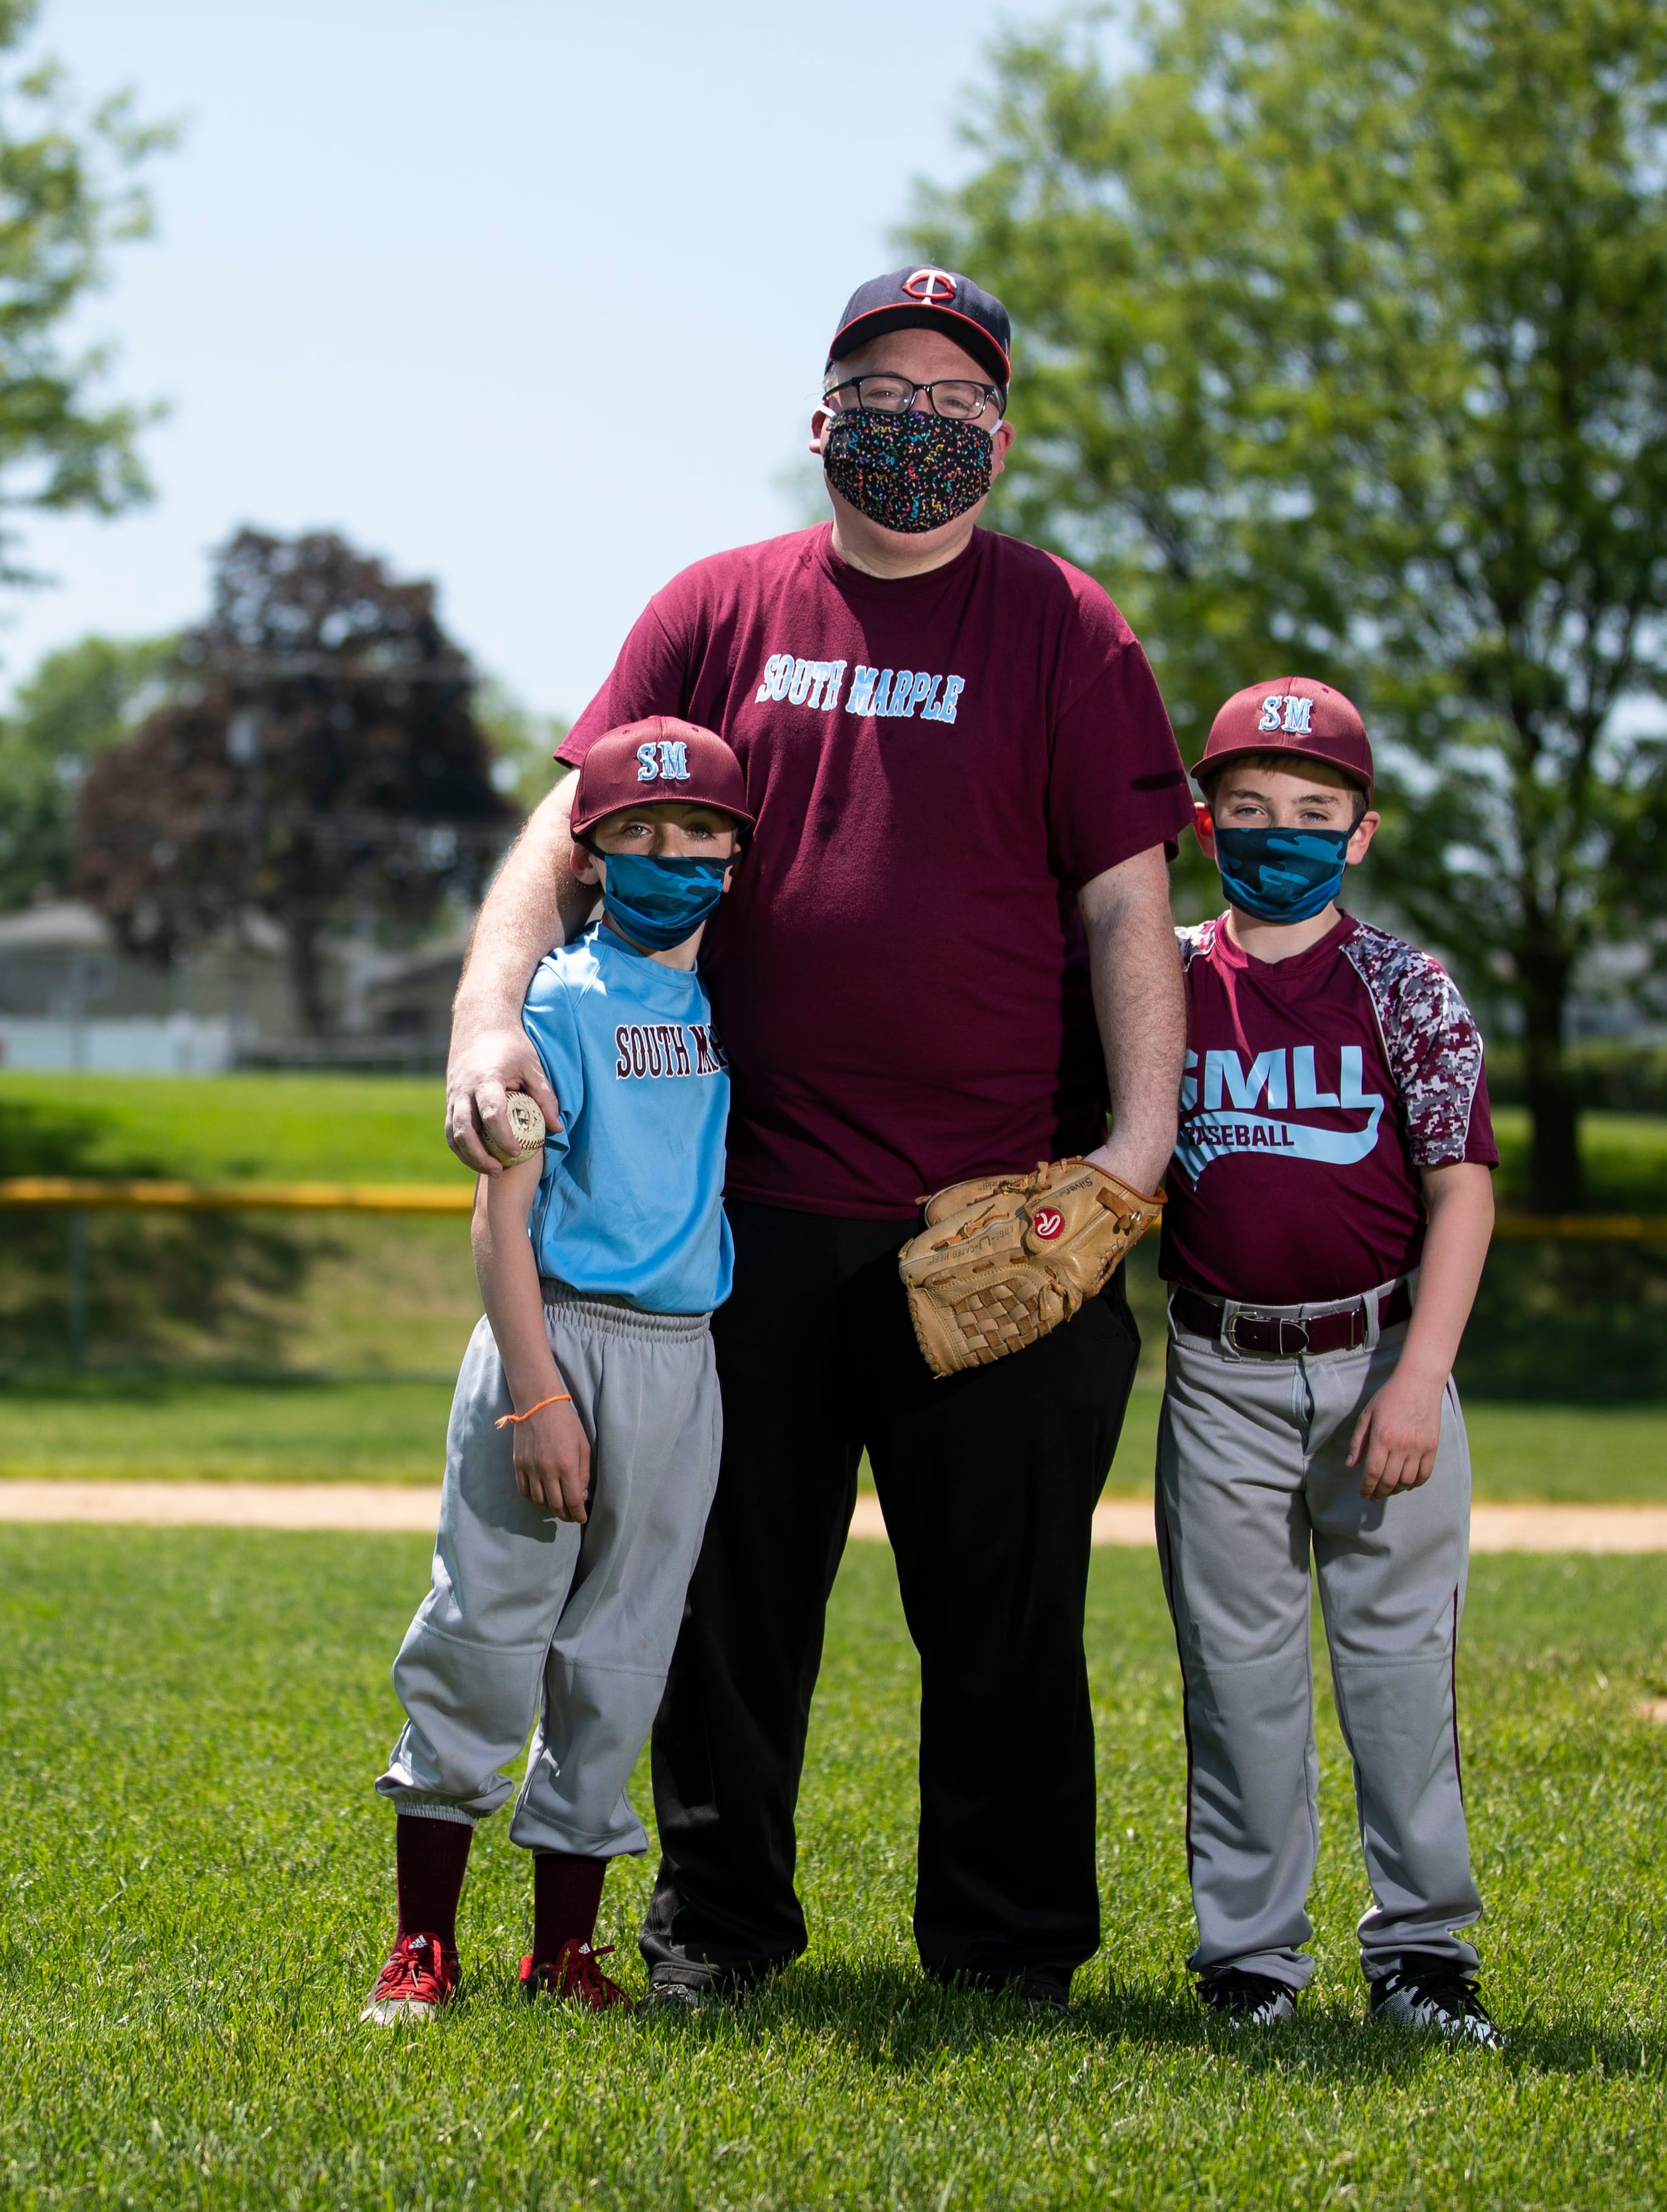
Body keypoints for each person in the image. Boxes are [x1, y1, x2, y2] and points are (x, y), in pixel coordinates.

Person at [439, 267, 1192, 2008]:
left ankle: (1007, 1956)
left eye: (955, 396)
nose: (915, 421)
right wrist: (487, 1019)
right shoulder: (720, 606)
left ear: (999, 435)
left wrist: (1138, 1151)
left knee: (1006, 1613)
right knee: (723, 1605)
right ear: (820, 415)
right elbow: (565, 831)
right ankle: (716, 1931)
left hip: (1004, 1208)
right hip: (736, 1209)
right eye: (883, 387)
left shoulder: (1067, 629)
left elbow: (1126, 905)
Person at [364, 716, 753, 2024]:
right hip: (559, 1332)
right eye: (637, 836)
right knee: (484, 1634)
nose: (671, 859)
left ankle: (564, 1951)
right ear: (587, 854)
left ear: (737, 858)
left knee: (621, 1654)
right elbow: (500, 1217)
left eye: (699, 835)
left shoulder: (715, 997)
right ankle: (423, 1943)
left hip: (678, 1351)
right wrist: (535, 1392)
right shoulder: (553, 1000)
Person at [1157, 676, 1504, 2047]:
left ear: (1360, 830)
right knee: (1235, 1674)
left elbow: (1461, 1186)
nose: (1278, 832)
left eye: (1312, 811)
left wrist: (1420, 1373)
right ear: (1202, 822)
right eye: (1247, 809)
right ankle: (1250, 1958)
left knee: (1398, 1670)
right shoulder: (1167, 974)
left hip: (1374, 1356)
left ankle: (1422, 1951)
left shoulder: (1402, 983)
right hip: (1218, 1364)